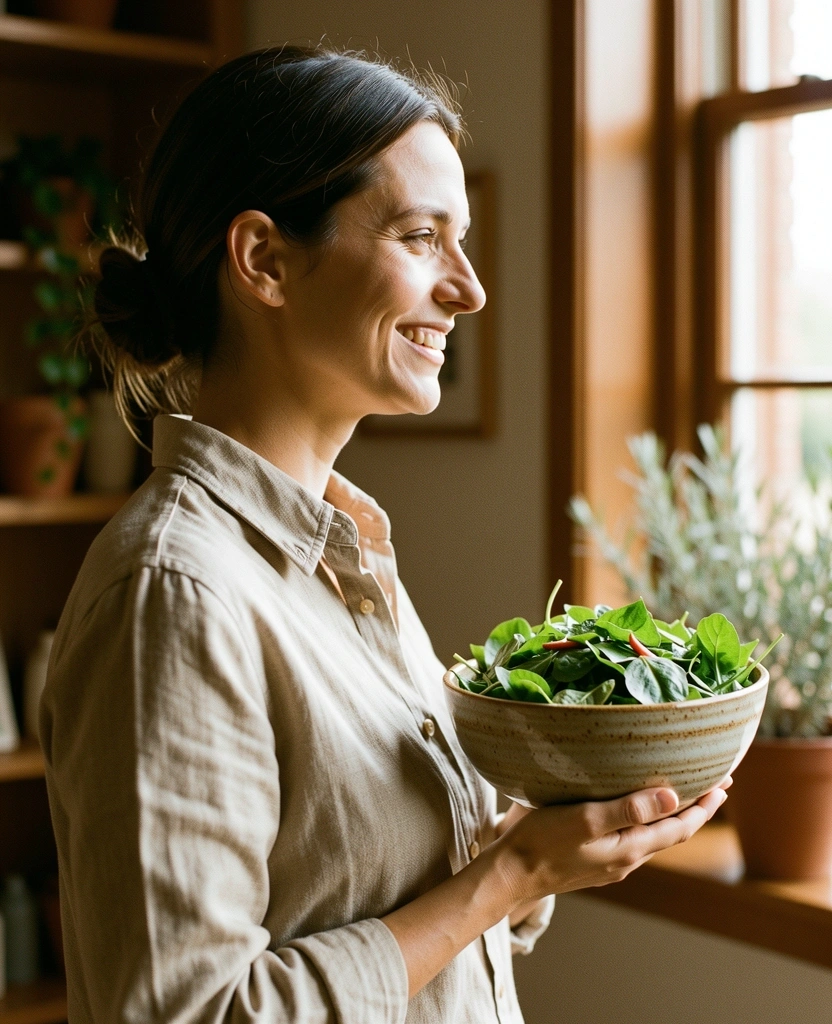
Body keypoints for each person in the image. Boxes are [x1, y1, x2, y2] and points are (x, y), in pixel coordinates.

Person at [40, 45, 729, 1024]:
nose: (469, 289)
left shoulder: (347, 555)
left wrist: (537, 855)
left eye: (462, 240)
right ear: (264, 260)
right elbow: (184, 1012)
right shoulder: (172, 593)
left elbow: (381, 901)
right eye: (421, 236)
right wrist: (507, 876)